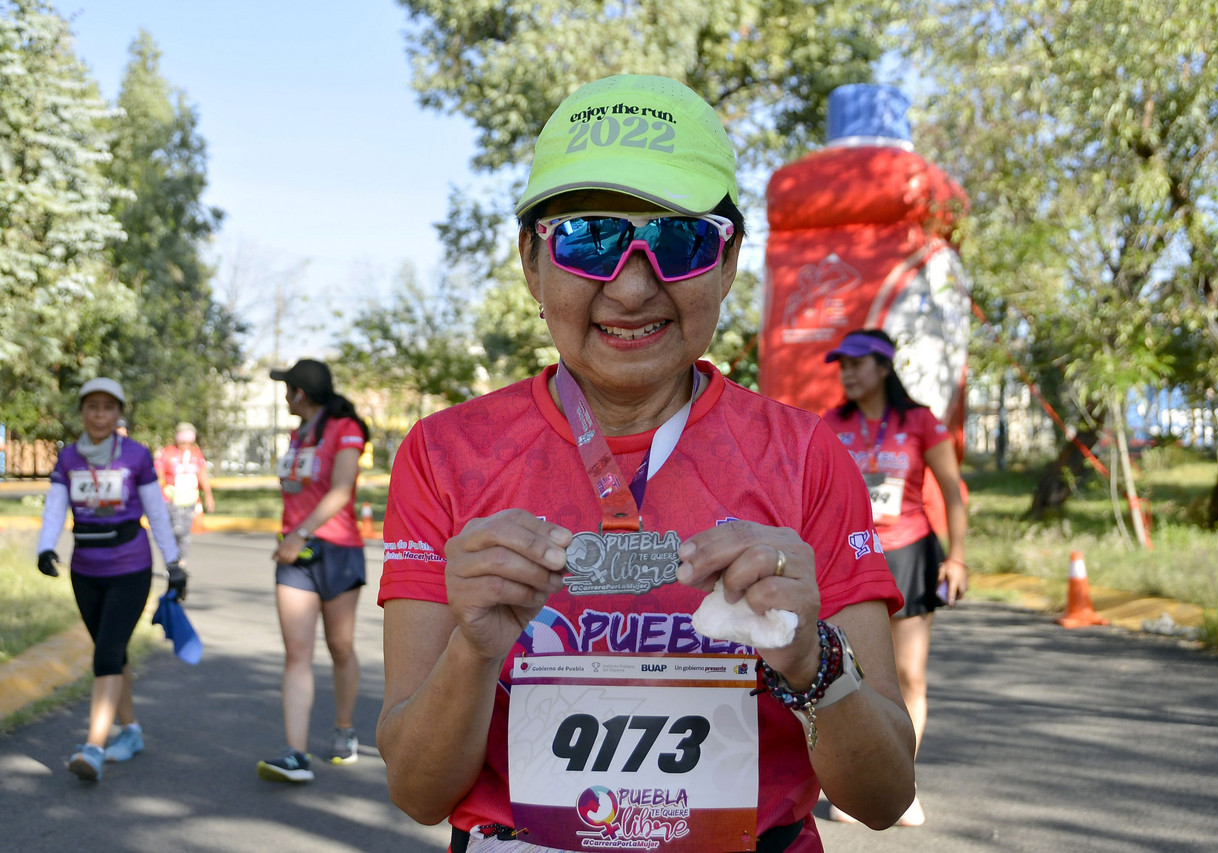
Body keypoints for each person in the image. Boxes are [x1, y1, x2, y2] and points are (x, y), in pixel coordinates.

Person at [377, 74, 917, 853]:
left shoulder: (805, 455)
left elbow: (885, 795)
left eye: (679, 239)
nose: (632, 286)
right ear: (532, 263)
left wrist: (812, 658)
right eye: (588, 239)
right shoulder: (443, 453)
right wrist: (474, 648)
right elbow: (417, 791)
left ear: (727, 266)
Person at [819, 328, 969, 827]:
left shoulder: (919, 421)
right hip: (849, 559)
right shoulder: (829, 424)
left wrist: (958, 557)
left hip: (908, 553)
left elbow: (951, 489)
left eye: (858, 363)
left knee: (908, 675)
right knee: (845, 671)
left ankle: (902, 780)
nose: (848, 373)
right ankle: (853, 783)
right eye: (842, 364)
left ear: (884, 367)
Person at [36, 377, 185, 782]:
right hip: (85, 572)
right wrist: (45, 548)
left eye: (107, 407)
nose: (99, 415)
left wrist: (173, 563)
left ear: (118, 413)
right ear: (82, 412)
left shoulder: (136, 456)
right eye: (91, 407)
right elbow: (54, 509)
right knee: (113, 654)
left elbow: (156, 513)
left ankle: (93, 747)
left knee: (105, 654)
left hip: (130, 569)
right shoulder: (68, 459)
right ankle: (131, 731)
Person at [258, 358, 370, 783]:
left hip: (336, 550)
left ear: (299, 394)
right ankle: (295, 753)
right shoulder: (296, 435)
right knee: (297, 654)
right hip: (296, 556)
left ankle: (344, 731)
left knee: (340, 646)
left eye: (287, 389)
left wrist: (300, 533)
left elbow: (342, 491)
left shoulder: (345, 430)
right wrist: (294, 537)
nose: (285, 395)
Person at [154, 421, 215, 567]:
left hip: (189, 498)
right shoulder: (166, 453)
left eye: (189, 441)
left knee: (185, 532)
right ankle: (171, 560)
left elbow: (202, 475)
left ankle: (181, 561)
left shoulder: (196, 453)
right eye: (183, 440)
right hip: (170, 498)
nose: (186, 444)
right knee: (175, 530)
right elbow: (159, 476)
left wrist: (208, 495)